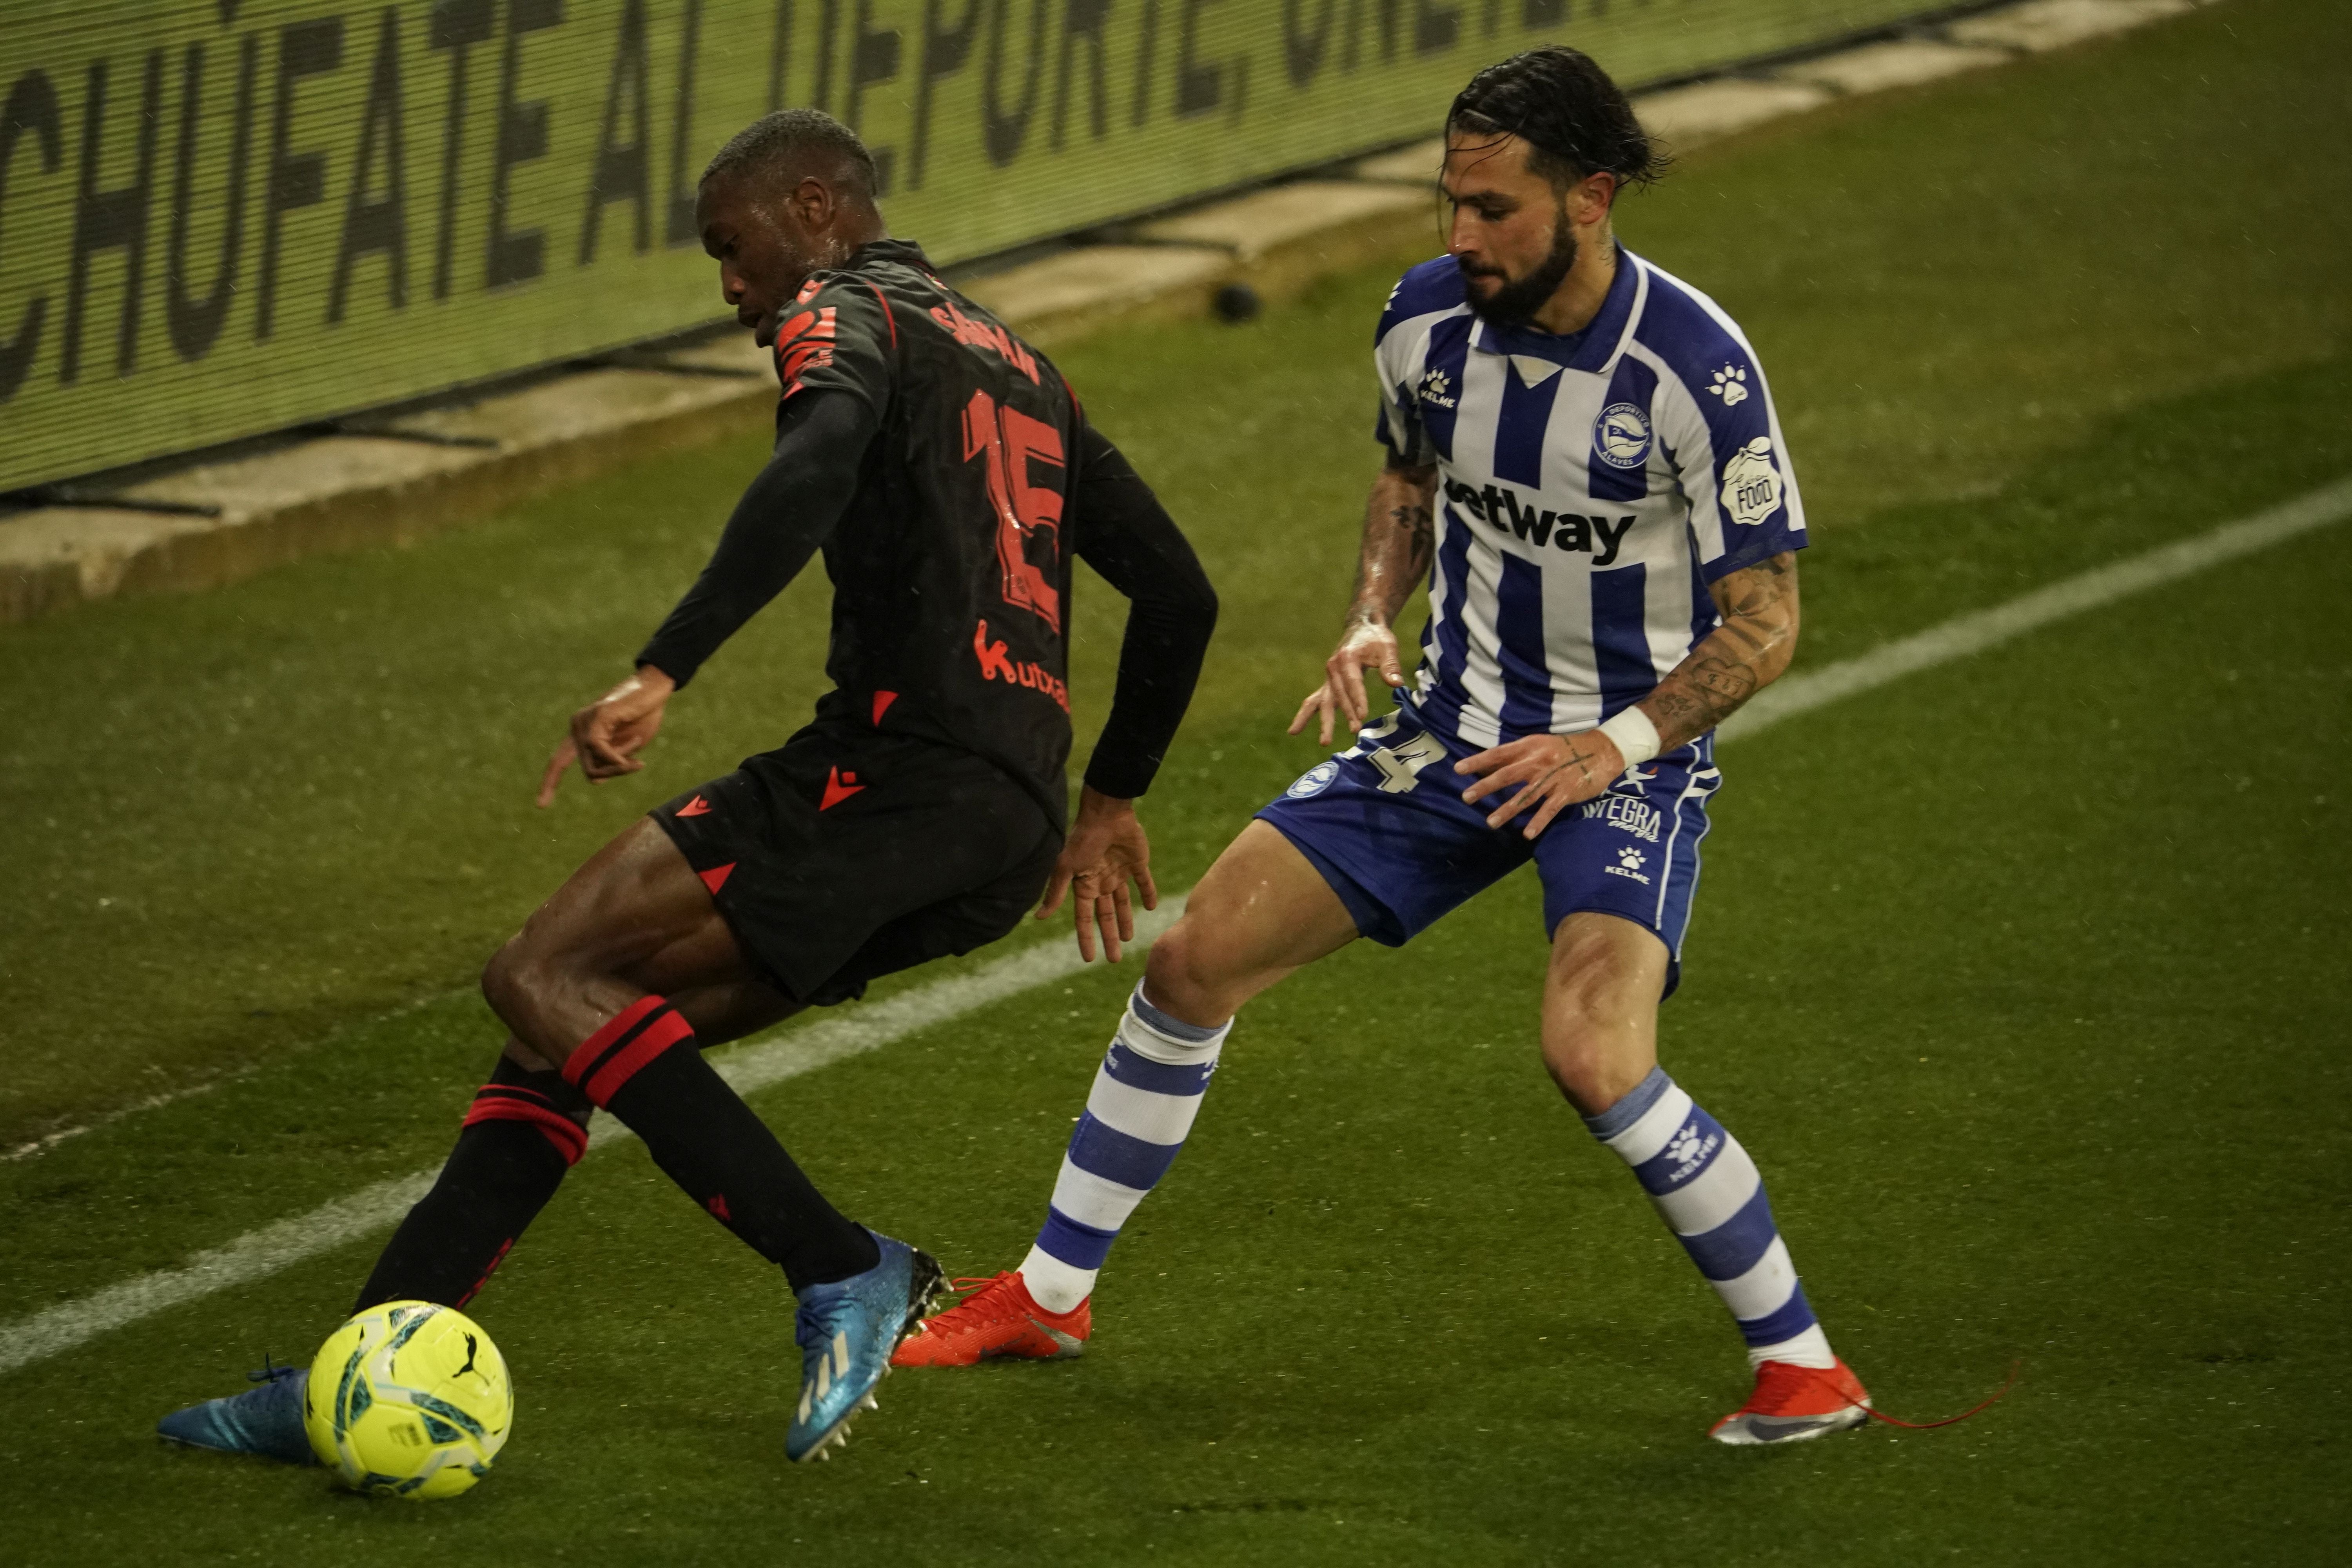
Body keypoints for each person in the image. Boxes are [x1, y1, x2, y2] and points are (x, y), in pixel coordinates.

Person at [155, 110, 1217, 1468]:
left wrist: (666, 666)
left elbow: (816, 462)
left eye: (735, 247)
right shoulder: (1019, 359)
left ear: (820, 208)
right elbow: (1180, 591)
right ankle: (346, 1379)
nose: (730, 287)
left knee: (538, 970)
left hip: (892, 770)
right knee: (568, 1031)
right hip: (1000, 824)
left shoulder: (845, 312)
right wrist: (1111, 797)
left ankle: (841, 1265)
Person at [894, 46, 1871, 1446]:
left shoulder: (1694, 373)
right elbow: (1410, 482)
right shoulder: (1425, 321)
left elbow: (1764, 622)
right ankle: (1052, 1294)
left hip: (1619, 766)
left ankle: (1806, 1368)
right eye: (1449, 204)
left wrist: (1620, 744)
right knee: (1190, 962)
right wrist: (1367, 617)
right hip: (1445, 738)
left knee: (1594, 1054)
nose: (1459, 238)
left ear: (1591, 199)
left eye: (1494, 212)